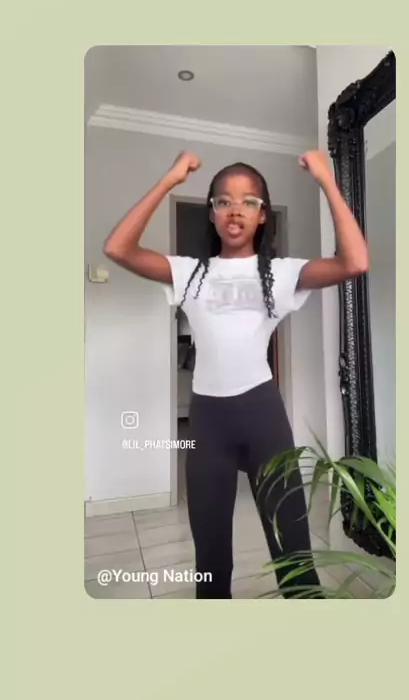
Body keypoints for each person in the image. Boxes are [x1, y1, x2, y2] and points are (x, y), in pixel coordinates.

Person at [103, 149, 369, 599]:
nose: (235, 210)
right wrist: (170, 179)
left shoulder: (281, 274)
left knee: (294, 556)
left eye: (249, 201)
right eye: (223, 201)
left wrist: (326, 179)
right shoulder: (189, 273)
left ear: (263, 214)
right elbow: (118, 248)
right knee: (210, 563)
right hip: (208, 424)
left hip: (262, 416)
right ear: (211, 212)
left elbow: (355, 261)